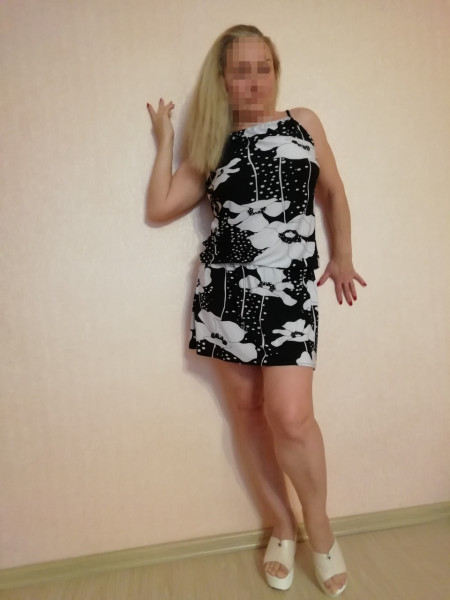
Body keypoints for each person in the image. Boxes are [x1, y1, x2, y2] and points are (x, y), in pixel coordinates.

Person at [146, 24, 366, 597]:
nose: (254, 82)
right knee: (246, 414)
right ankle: (282, 526)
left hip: (288, 293)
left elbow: (334, 192)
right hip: (225, 293)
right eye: (241, 71)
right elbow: (161, 206)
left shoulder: (303, 122)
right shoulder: (211, 141)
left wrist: (342, 255)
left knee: (290, 417)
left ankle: (320, 529)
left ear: (276, 71)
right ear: (222, 79)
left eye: (263, 68)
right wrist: (166, 138)